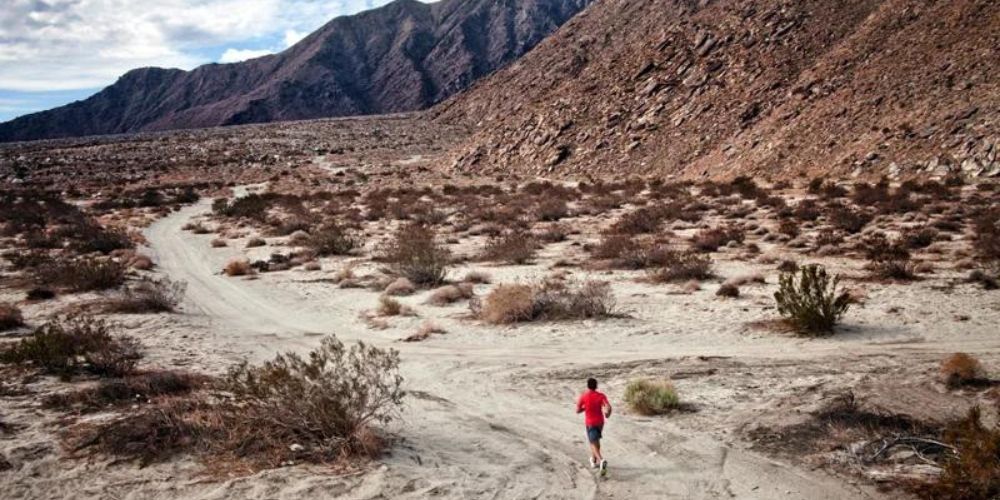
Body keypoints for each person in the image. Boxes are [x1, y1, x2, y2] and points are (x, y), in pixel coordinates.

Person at [576, 377, 612, 474]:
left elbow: (577, 411)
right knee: (596, 442)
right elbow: (608, 407)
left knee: (592, 443)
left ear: (588, 386)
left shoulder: (584, 396)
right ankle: (593, 460)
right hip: (600, 422)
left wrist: (585, 408)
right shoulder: (601, 396)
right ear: (596, 386)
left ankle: (601, 460)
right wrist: (607, 414)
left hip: (590, 423)